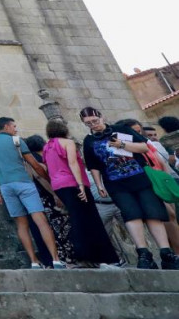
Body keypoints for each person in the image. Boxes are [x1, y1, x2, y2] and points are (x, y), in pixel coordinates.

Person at [79, 107, 178, 269]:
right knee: (131, 215)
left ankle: (166, 252)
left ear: (102, 117)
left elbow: (144, 147)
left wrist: (122, 144)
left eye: (95, 121)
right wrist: (98, 184)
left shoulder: (121, 130)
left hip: (139, 177)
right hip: (116, 183)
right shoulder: (89, 141)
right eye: (88, 123)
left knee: (153, 213)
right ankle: (144, 254)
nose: (93, 125)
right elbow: (93, 165)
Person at [0, 118, 65, 269]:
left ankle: (34, 261)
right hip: (24, 183)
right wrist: (50, 181)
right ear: (6, 126)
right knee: (40, 220)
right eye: (14, 126)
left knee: (21, 225)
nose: (16, 129)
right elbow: (34, 165)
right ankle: (56, 259)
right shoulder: (16, 140)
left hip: (5, 187)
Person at [39, 122, 121, 267]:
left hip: (58, 185)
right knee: (89, 219)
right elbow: (73, 163)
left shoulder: (47, 147)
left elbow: (48, 168)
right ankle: (98, 257)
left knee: (76, 218)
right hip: (73, 183)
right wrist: (81, 185)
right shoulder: (68, 143)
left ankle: (83, 256)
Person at [23, 134, 75, 267]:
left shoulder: (25, 162)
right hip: (48, 197)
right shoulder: (40, 159)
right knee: (61, 227)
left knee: (42, 229)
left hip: (33, 199)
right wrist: (56, 194)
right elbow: (44, 178)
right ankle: (66, 258)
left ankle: (50, 261)